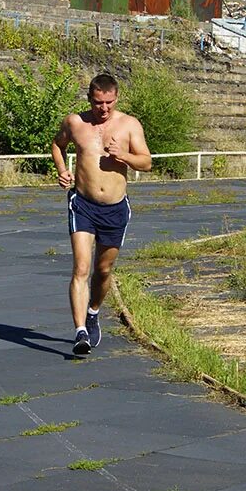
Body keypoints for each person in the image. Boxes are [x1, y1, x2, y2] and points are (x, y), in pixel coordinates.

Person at [50, 73, 152, 355]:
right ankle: (80, 331)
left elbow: (146, 162)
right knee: (81, 268)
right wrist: (62, 170)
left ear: (116, 98)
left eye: (108, 103)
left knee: (103, 269)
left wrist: (125, 156)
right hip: (82, 204)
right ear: (90, 99)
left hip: (115, 209)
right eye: (98, 103)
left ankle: (94, 311)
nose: (103, 109)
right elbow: (57, 145)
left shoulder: (129, 125)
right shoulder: (75, 122)